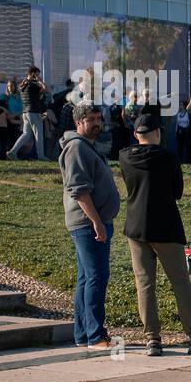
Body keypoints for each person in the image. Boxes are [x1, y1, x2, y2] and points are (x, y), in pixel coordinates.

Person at [119, 112, 191, 356]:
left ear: (135, 134)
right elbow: (177, 191)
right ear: (158, 133)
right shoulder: (168, 158)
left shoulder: (124, 157)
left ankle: (152, 338)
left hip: (136, 227)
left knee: (144, 284)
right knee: (180, 283)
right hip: (166, 227)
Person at [60, 102, 121, 350]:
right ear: (78, 123)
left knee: (86, 278)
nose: (96, 123)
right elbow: (79, 191)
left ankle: (83, 335)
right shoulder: (76, 148)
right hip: (87, 223)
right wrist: (97, 222)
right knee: (96, 277)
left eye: (98, 118)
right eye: (90, 119)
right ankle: (95, 335)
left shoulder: (88, 147)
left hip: (94, 222)